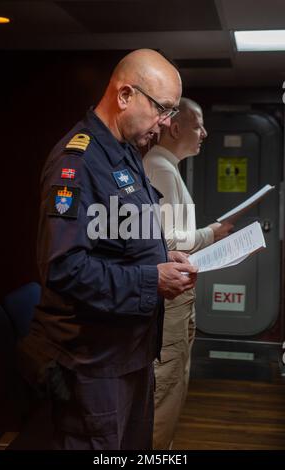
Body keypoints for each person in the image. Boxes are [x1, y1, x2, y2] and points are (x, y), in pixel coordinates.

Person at [18, 50, 198, 451]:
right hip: (94, 366)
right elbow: (64, 269)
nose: (167, 123)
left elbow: (118, 238)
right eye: (163, 110)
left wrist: (160, 259)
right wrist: (151, 279)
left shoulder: (126, 154)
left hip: (130, 355)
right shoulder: (77, 163)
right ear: (124, 95)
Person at [143, 97, 233, 449]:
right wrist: (213, 233)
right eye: (197, 125)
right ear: (175, 128)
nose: (204, 133)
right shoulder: (160, 166)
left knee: (173, 383)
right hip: (169, 302)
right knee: (164, 387)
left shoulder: (166, 165)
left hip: (179, 298)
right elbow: (172, 240)